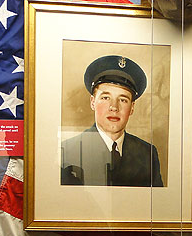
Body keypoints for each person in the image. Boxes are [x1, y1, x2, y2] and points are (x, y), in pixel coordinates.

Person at [61, 55, 164, 187]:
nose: (114, 107)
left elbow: (159, 204)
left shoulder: (147, 153)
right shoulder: (68, 152)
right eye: (105, 98)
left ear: (132, 108)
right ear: (93, 102)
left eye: (123, 100)